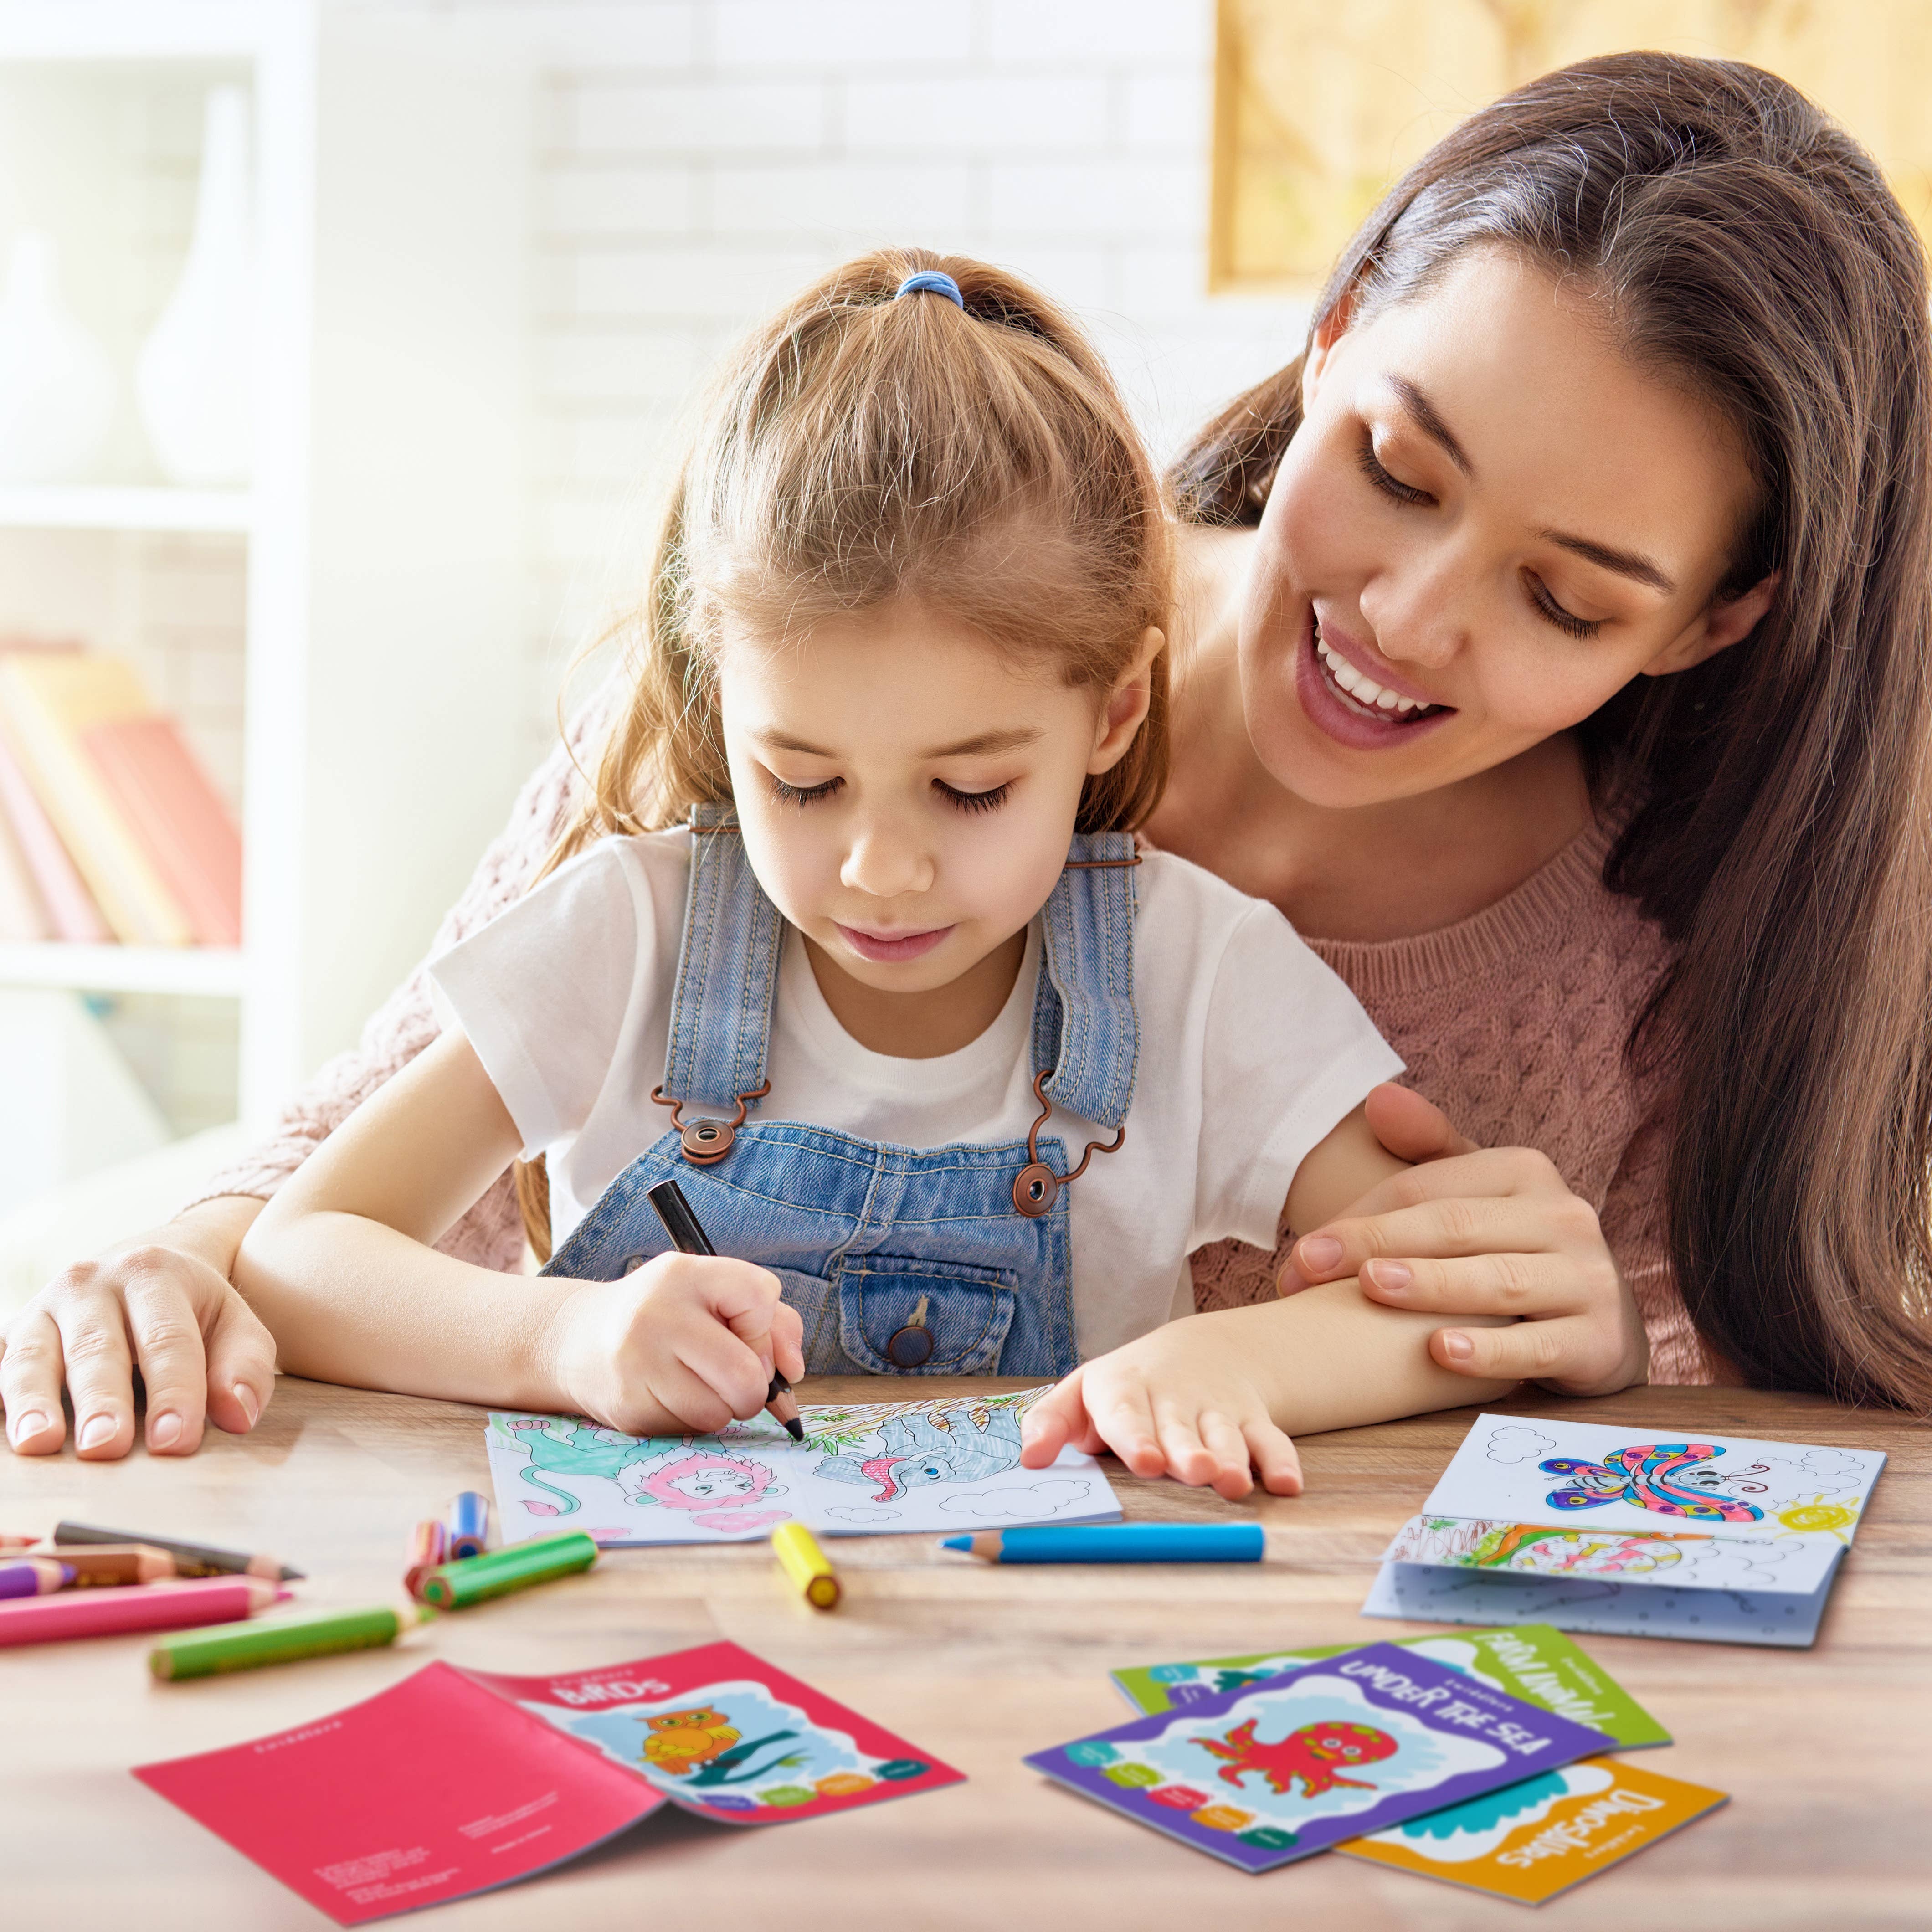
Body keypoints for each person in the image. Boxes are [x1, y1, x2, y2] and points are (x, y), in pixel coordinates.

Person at [8, 51, 1930, 1463]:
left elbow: (1677, 1412)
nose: (1414, 617)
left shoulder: (1627, 946)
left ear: (1708, 622)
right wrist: (185, 1262)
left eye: (1565, 602)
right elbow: (330, 1181)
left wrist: (1583, 1341)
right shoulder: (871, 617)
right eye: (1397, 469)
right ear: (1333, 336)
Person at [220, 247, 1522, 1499]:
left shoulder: (1195, 972)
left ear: (1116, 712)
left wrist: (1231, 1358)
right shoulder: (632, 936)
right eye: (801, 780)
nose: (880, 870)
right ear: (720, 700)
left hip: (1032, 1644)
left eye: (971, 790)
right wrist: (561, 1341)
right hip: (649, 1640)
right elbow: (300, 1256)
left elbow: (1446, 1306)